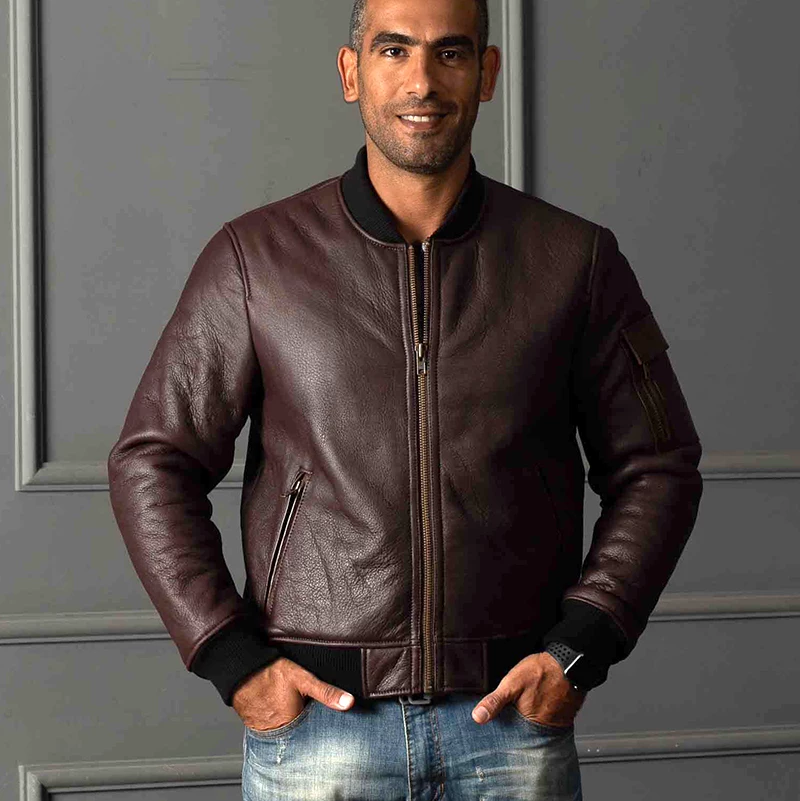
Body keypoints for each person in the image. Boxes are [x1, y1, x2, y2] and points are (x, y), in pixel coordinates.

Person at [107, 0, 703, 798]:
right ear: (351, 72)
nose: (422, 81)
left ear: (487, 73)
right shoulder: (258, 261)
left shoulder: (572, 260)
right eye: (394, 51)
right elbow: (152, 460)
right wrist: (231, 656)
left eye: (450, 52)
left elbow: (659, 464)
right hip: (317, 731)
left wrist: (580, 648)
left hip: (511, 725)